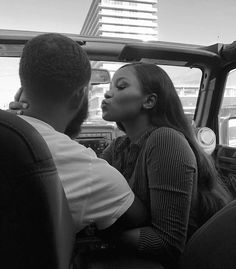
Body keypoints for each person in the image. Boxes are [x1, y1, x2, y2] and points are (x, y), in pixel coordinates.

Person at [10, 33, 147, 234]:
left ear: (22, 88)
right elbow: (141, 220)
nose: (109, 94)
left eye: (121, 87)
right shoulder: (94, 174)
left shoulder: (9, 131)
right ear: (79, 97)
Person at [99, 62, 232, 266]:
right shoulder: (119, 147)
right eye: (109, 88)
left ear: (149, 101)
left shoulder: (165, 141)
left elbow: (167, 243)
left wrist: (103, 236)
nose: (107, 94)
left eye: (121, 86)